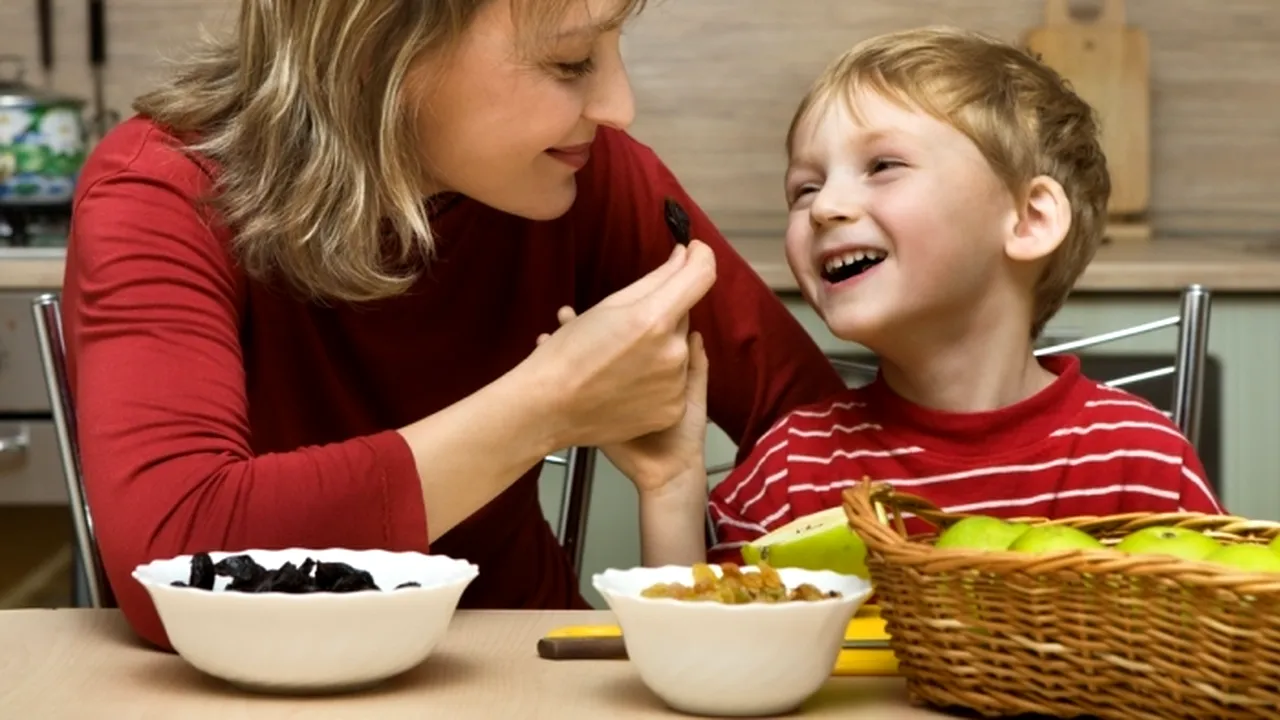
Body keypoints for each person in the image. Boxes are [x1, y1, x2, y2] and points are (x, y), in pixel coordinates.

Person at [61, 0, 847, 650]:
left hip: (522, 668)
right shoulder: (163, 189)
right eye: (570, 62)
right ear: (377, 55)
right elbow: (172, 558)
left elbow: (818, 437)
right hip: (252, 680)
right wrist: (544, 408)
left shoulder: (588, 173)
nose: (619, 107)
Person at [599, 26, 1224, 567]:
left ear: (1029, 219)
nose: (827, 209)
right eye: (804, 189)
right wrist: (672, 485)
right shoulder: (790, 467)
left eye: (882, 166)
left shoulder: (1140, 458)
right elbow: (712, 655)